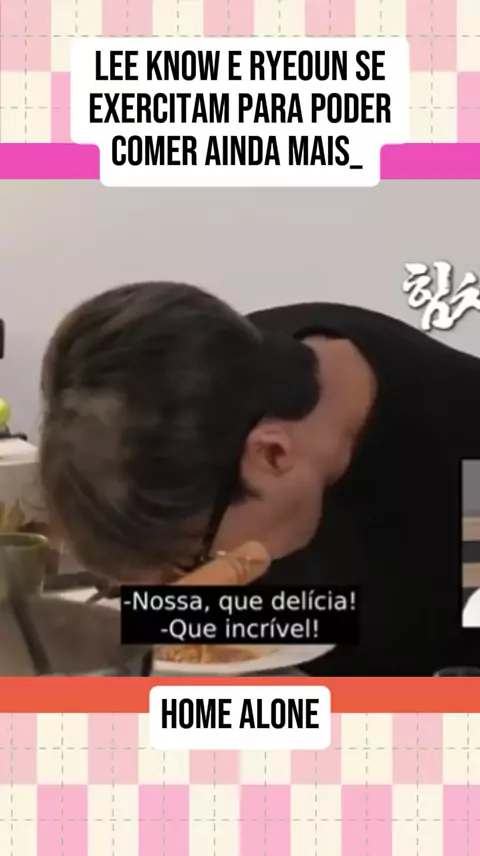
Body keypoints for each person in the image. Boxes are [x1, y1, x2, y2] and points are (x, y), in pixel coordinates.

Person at [39, 281, 480, 676]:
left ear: (272, 454)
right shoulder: (200, 384)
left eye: (190, 563)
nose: (171, 597)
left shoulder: (464, 450)